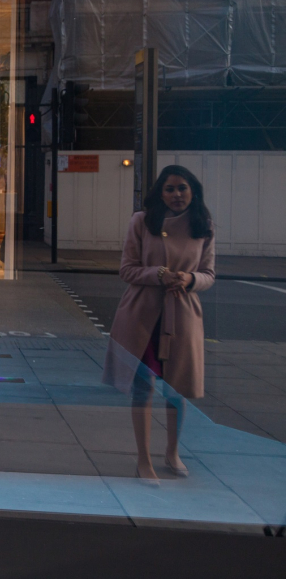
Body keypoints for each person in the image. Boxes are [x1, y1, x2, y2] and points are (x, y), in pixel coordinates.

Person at [103, 165, 214, 483]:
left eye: (182, 188)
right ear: (159, 193)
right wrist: (159, 274)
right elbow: (127, 269)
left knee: (177, 389)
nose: (177, 194)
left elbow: (209, 273)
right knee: (144, 389)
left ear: (193, 191)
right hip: (142, 316)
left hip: (181, 314)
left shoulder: (202, 225)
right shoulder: (141, 221)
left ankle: (172, 452)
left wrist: (190, 279)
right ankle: (143, 459)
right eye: (170, 189)